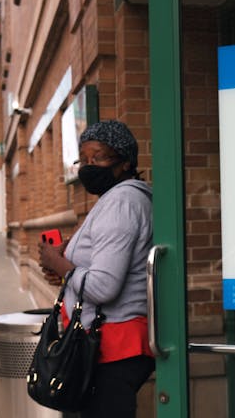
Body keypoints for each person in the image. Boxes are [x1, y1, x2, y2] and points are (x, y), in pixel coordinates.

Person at [38, 120, 154, 418]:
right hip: (106, 344)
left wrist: (61, 265)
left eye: (99, 157)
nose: (89, 166)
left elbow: (104, 287)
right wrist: (67, 262)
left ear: (126, 160)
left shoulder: (121, 203)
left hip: (114, 347)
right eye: (84, 159)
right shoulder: (117, 200)